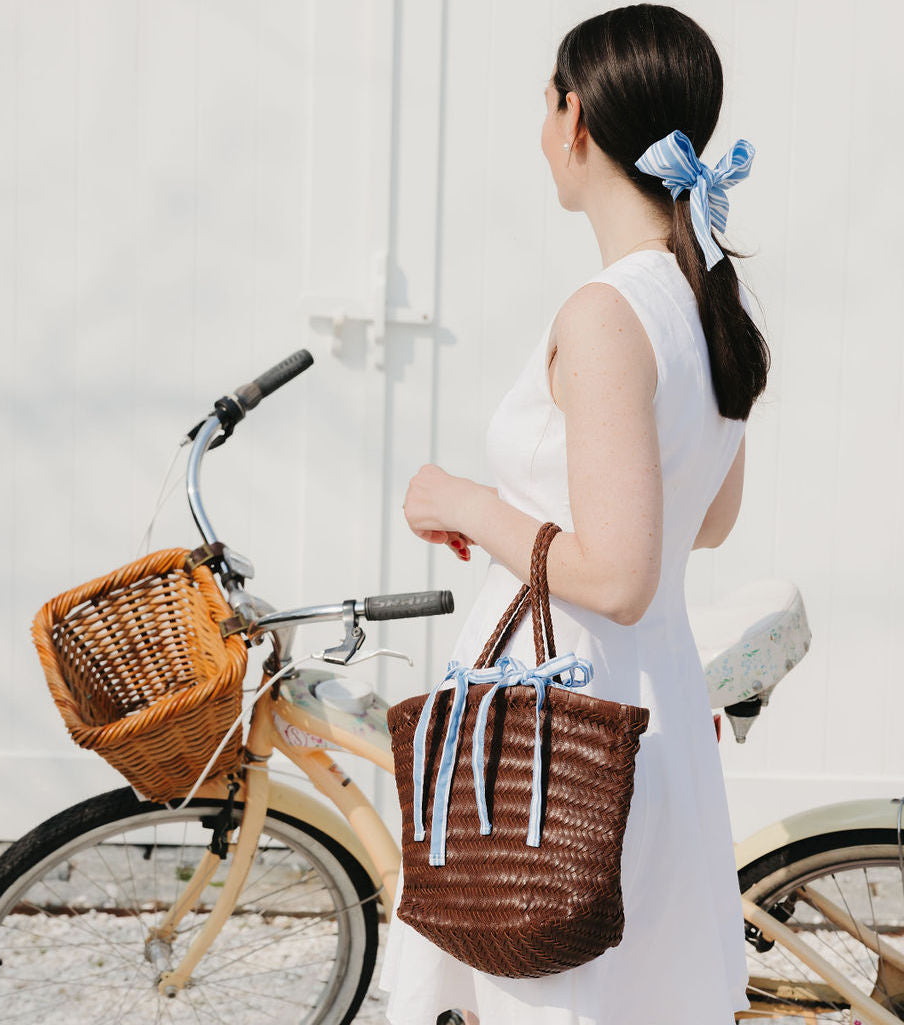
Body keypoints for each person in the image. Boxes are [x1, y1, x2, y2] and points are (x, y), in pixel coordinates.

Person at [379, 4, 768, 1024]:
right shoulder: (701, 297)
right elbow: (707, 518)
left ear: (574, 115)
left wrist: (466, 500)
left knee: (549, 993)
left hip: (561, 731)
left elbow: (615, 575)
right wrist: (522, 517)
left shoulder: (604, 311)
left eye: (544, 101)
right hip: (650, 709)